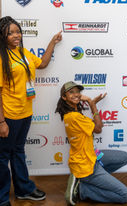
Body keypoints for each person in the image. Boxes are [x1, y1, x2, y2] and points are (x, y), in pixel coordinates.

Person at [0, 16, 62, 206]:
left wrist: (52, 42)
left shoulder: (23, 52)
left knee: (18, 151)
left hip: (26, 113)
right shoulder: (1, 58)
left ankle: (23, 190)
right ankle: (2, 198)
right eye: (10, 33)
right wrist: (1, 122)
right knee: (2, 158)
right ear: (2, 36)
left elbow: (42, 63)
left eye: (17, 31)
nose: (16, 35)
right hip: (9, 115)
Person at [55, 81, 127, 205]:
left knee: (124, 157)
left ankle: (88, 181)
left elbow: (95, 126)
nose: (76, 94)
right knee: (124, 195)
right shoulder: (74, 117)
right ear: (64, 97)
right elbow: (98, 128)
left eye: (78, 92)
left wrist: (92, 103)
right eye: (71, 92)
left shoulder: (74, 115)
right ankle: (82, 190)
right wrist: (92, 103)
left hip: (92, 156)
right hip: (86, 166)